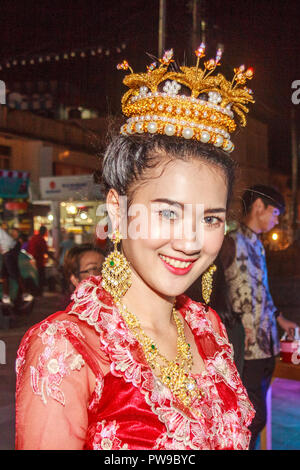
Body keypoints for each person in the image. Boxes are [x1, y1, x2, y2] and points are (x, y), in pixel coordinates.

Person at [15, 48, 255, 450]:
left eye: (210, 218)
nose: (191, 242)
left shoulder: (208, 328)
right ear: (117, 210)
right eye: (167, 212)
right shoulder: (66, 348)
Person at [223, 184, 299, 449]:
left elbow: (262, 291)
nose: (277, 220)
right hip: (245, 350)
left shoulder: (258, 244)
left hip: (266, 346)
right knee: (249, 416)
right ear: (259, 207)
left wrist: (280, 319)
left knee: (259, 414)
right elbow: (216, 294)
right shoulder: (230, 243)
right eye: (275, 212)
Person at [59, 243, 105, 309]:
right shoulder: (72, 315)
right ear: (75, 279)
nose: (102, 272)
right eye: (93, 268)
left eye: (105, 266)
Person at [0, 226, 33, 305]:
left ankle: (24, 294)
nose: (12, 233)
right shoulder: (12, 241)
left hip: (8, 256)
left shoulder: (16, 243)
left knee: (14, 275)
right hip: (6, 255)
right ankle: (6, 296)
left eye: (15, 232)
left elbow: (12, 251)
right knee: (5, 276)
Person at [27, 226, 56, 294]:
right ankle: (38, 291)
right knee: (40, 278)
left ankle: (35, 291)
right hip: (38, 262)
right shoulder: (41, 239)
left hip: (31, 262)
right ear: (43, 232)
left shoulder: (33, 238)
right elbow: (46, 251)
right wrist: (54, 259)